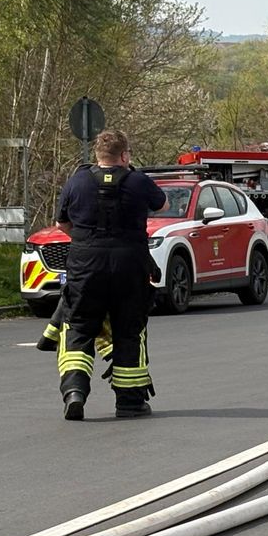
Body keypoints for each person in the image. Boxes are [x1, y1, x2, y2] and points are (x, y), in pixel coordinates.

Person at [54, 130, 168, 420]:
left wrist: (86, 240)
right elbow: (163, 205)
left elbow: (61, 224)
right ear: (125, 155)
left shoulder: (77, 181)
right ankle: (129, 402)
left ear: (97, 155)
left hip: (85, 266)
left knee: (78, 327)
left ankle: (75, 391)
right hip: (129, 266)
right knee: (128, 330)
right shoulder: (138, 181)